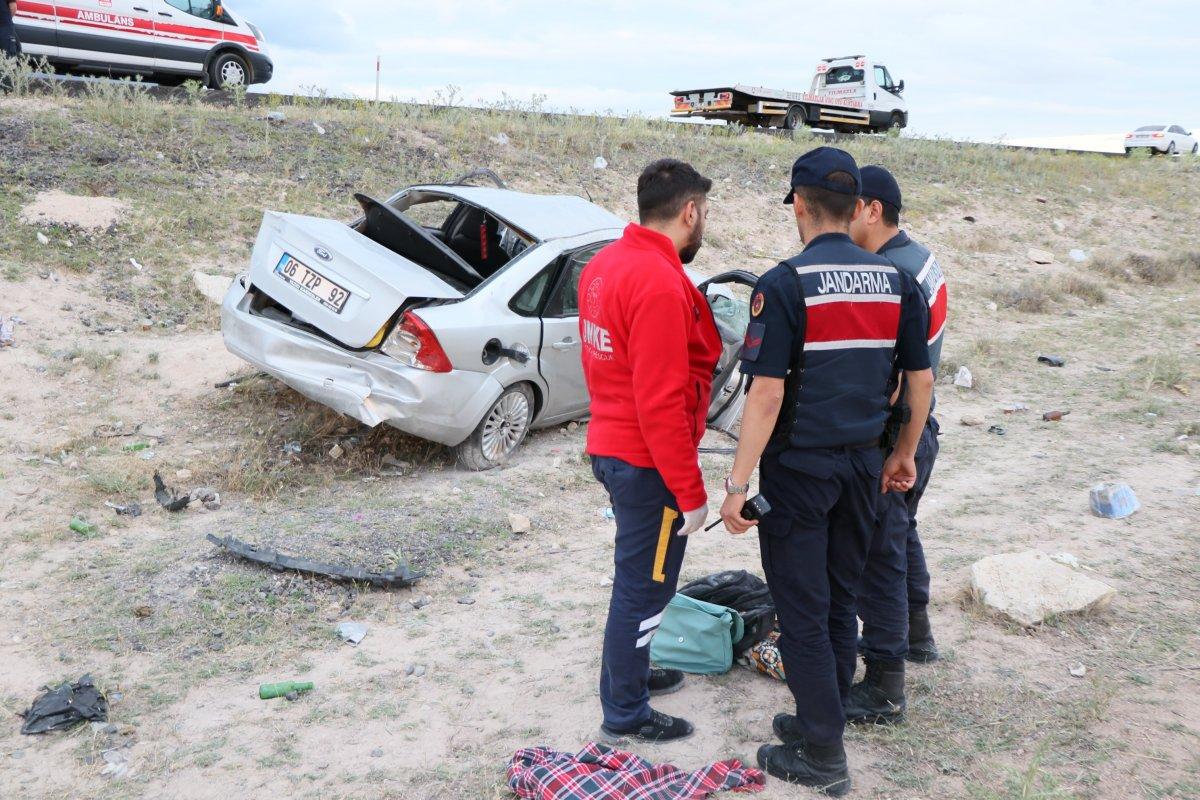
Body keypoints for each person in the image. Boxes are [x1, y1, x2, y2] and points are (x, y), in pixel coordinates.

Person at [718, 147, 933, 795]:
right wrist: (903, 454)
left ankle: (823, 754)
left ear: (800, 207)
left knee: (802, 609)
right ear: (855, 206)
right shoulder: (897, 282)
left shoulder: (784, 284)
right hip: (865, 467)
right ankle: (825, 717)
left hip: (800, 472)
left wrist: (737, 486)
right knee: (840, 600)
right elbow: (920, 381)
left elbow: (766, 395)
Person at [580, 158, 723, 743]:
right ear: (689, 212)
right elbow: (661, 403)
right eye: (704, 212)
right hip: (646, 461)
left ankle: (630, 675)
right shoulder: (660, 284)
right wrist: (691, 493)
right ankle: (626, 712)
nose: (704, 221)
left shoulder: (604, 265)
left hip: (613, 445)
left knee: (637, 579)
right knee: (646, 587)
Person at [843, 165, 949, 725]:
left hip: (900, 430)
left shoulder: (890, 273)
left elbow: (904, 375)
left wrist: (897, 448)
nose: (843, 219)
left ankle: (885, 683)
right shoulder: (921, 257)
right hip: (922, 427)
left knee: (878, 552)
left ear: (873, 209)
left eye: (850, 208)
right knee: (901, 531)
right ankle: (918, 635)